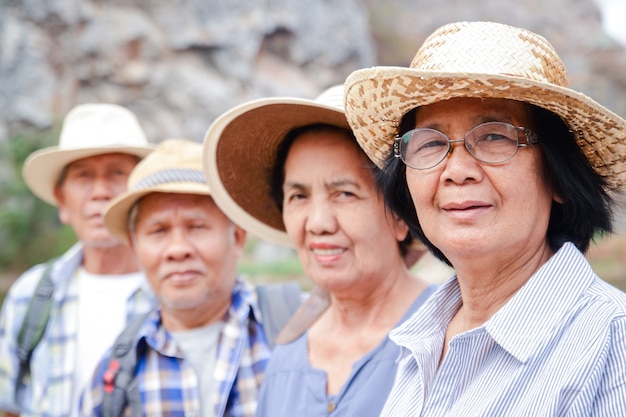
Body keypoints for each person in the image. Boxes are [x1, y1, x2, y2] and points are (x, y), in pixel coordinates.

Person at [343, 21, 626, 415]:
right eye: (430, 143)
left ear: (559, 177)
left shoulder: (611, 344)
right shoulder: (420, 342)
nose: (457, 170)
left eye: (494, 136)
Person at [203, 85, 438, 417]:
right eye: (298, 196)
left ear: (401, 213)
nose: (317, 223)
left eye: (344, 193)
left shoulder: (447, 334)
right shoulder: (288, 354)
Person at [80, 138, 285, 417]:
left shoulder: (301, 331)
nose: (177, 250)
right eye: (158, 231)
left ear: (236, 237)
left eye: (197, 226)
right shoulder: (114, 375)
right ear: (135, 247)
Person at [0, 103, 156, 417]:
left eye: (117, 173)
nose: (100, 192)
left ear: (142, 192)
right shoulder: (30, 296)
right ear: (62, 200)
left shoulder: (175, 294)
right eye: (84, 176)